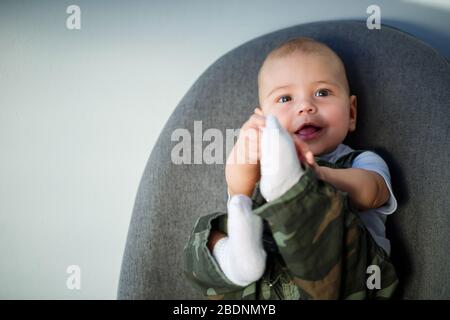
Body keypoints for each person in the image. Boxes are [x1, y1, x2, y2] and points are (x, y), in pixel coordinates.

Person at [183, 37, 398, 299]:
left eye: (322, 93)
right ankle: (239, 263)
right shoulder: (264, 168)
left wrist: (315, 178)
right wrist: (243, 158)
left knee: (316, 205)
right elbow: (239, 191)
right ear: (264, 119)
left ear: (351, 113)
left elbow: (372, 192)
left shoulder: (362, 161)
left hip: (344, 281)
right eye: (285, 98)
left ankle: (295, 191)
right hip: (271, 284)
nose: (305, 106)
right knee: (206, 232)